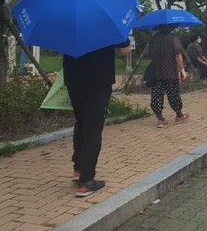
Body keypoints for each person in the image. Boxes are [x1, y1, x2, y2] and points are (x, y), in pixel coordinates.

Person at [63, 39, 132, 197]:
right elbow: (125, 50)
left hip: (73, 79)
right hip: (98, 80)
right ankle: (86, 181)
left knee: (80, 123)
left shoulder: (70, 22)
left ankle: (78, 168)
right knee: (93, 130)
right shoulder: (107, 23)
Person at [148, 24, 189, 128]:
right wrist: (182, 69)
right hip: (170, 73)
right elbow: (178, 55)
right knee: (173, 94)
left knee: (156, 95)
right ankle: (179, 116)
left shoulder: (153, 39)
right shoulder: (173, 38)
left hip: (156, 72)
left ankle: (160, 119)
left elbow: (150, 55)